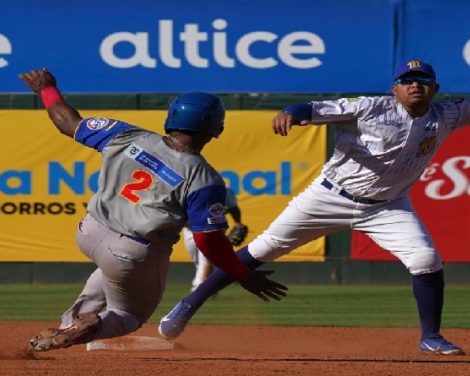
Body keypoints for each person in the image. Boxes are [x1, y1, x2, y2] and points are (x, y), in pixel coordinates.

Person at [157, 49, 470, 354]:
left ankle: (431, 337)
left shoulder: (448, 113)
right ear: (395, 87)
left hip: (388, 206)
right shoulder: (367, 107)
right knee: (260, 250)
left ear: (434, 89)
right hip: (327, 197)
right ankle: (188, 305)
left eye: (423, 80)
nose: (416, 85)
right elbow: (310, 109)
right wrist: (290, 113)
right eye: (408, 80)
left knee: (426, 260)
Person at [19, 68, 287, 352]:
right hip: (131, 252)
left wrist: (46, 89)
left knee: (108, 278)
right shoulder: (204, 179)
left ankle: (68, 327)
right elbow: (208, 241)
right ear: (217, 129)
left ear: (170, 118)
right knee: (128, 316)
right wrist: (243, 274)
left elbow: (67, 122)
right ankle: (90, 327)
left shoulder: (127, 135)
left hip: (91, 230)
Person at [183, 186, 248, 292]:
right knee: (196, 258)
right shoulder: (186, 190)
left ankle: (199, 286)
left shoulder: (221, 190)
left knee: (205, 256)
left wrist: (238, 223)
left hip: (211, 226)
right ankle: (212, 283)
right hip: (189, 228)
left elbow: (233, 208)